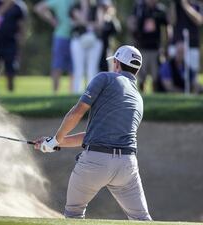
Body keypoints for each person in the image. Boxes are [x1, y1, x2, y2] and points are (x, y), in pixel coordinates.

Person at [34, 45, 152, 220]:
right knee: (142, 219)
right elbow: (94, 134)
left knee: (73, 215)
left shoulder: (105, 78)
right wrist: (55, 141)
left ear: (117, 63)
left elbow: (77, 111)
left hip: (95, 162)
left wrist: (54, 141)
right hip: (127, 166)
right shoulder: (138, 98)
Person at [34, 0, 75, 94]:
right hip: (61, 36)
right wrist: (52, 20)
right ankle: (55, 93)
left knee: (73, 67)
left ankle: (72, 93)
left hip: (76, 38)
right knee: (58, 65)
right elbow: (38, 8)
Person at [128, 0, 168, 92]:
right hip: (141, 47)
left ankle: (154, 94)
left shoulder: (160, 10)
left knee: (156, 76)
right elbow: (131, 22)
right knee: (141, 75)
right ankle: (142, 94)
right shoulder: (139, 8)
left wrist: (165, 46)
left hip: (155, 47)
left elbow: (166, 28)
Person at [69, 0, 104, 94]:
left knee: (92, 69)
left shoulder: (96, 6)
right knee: (78, 69)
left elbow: (100, 24)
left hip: (94, 40)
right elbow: (81, 19)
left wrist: (86, 23)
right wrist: (84, 7)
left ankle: (91, 93)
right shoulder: (75, 6)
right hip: (78, 40)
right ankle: (76, 93)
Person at [0, 0, 28, 92]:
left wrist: (22, 38)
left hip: (11, 40)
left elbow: (22, 24)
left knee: (10, 66)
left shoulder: (19, 6)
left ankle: (10, 90)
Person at [169, 0, 203, 83]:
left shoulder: (196, 5)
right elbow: (171, 21)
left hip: (192, 44)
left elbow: (199, 20)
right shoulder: (175, 5)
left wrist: (185, 5)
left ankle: (192, 91)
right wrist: (173, 4)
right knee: (174, 71)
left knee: (192, 73)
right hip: (176, 44)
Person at [98, 0, 121, 72]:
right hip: (97, 48)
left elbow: (117, 30)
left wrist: (111, 17)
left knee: (107, 68)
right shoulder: (97, 17)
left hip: (107, 48)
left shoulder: (111, 20)